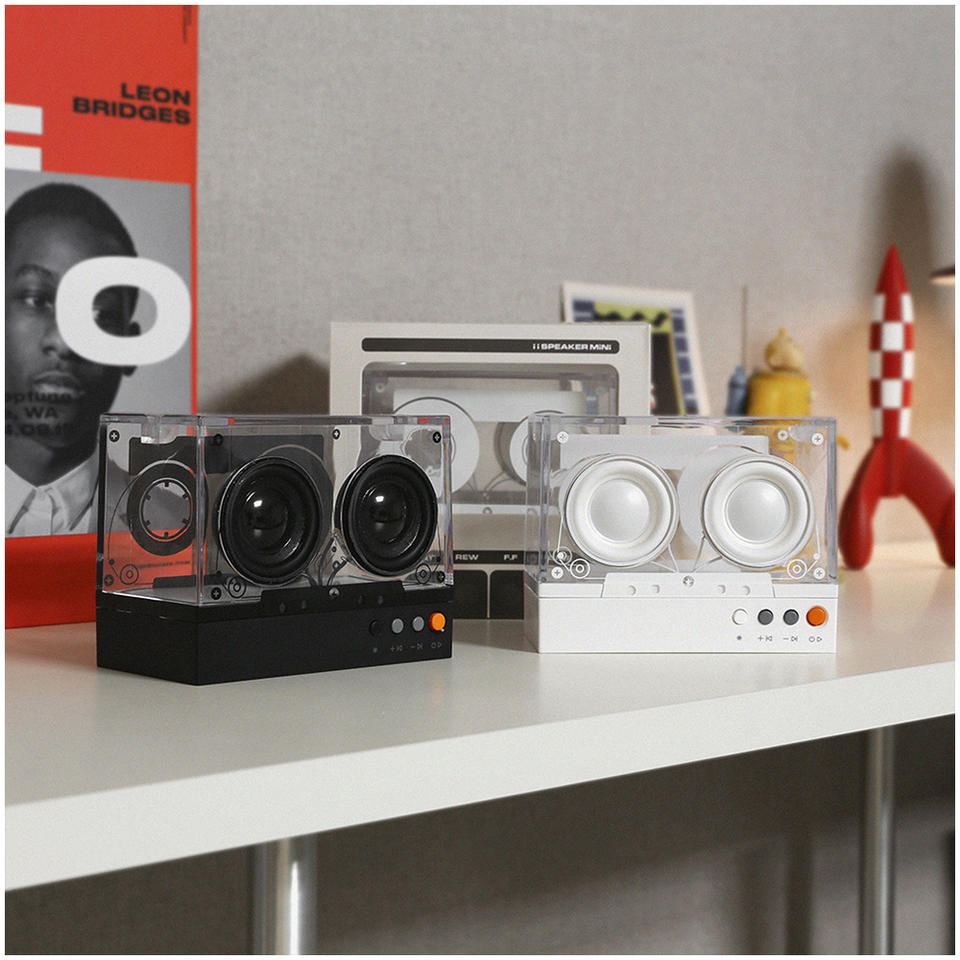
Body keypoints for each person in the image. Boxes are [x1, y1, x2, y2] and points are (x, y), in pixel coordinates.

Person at [5, 182, 140, 536]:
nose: (65, 342)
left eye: (101, 315)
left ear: (132, 347)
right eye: (37, 300)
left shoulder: (166, 525)